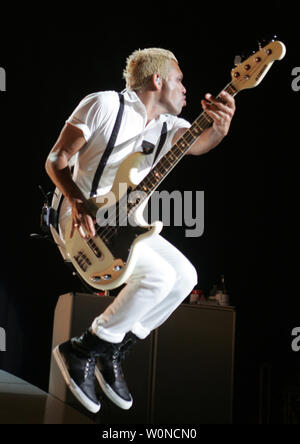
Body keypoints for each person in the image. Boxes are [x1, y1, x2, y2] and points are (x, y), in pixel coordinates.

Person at [45, 48, 235, 413]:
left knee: (184, 276)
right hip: (80, 220)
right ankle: (82, 349)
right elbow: (56, 159)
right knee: (159, 276)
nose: (185, 88)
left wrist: (221, 129)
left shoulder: (169, 128)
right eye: (180, 80)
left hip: (124, 224)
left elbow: (200, 144)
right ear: (158, 79)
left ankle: (108, 350)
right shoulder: (103, 105)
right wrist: (77, 201)